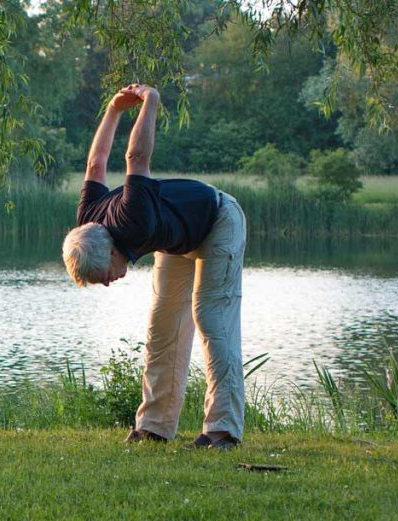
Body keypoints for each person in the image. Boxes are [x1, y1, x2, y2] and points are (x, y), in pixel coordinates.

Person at [61, 84, 247, 450]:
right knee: (162, 327)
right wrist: (113, 109)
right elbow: (95, 163)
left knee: (210, 319)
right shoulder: (88, 219)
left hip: (219, 220)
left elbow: (136, 157)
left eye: (104, 277)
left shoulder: (132, 219)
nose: (109, 283)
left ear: (111, 250)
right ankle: (154, 426)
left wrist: (151, 102)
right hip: (176, 238)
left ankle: (223, 430)